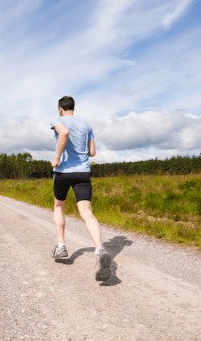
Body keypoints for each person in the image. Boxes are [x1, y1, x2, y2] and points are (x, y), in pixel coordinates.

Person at [50, 96, 112, 281]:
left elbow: (64, 133)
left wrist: (57, 158)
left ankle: (61, 246)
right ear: (73, 108)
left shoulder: (58, 121)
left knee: (59, 206)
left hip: (63, 172)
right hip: (83, 173)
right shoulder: (86, 124)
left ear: (60, 109)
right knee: (86, 212)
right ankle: (100, 249)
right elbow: (92, 152)